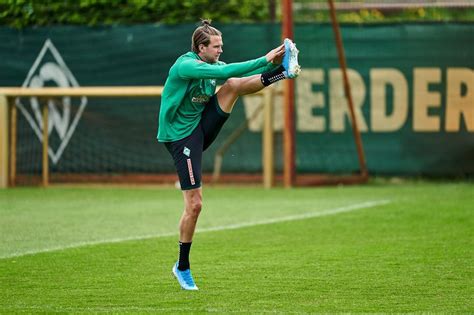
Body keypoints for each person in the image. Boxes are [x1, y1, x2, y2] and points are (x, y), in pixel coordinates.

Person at [157, 20, 300, 291]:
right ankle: (182, 266)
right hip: (180, 137)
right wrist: (265, 57)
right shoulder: (186, 65)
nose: (221, 50)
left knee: (233, 85)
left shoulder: (212, 67)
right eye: (217, 46)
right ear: (202, 48)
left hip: (200, 129)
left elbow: (237, 74)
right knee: (195, 205)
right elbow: (237, 67)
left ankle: (284, 73)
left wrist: (276, 62)